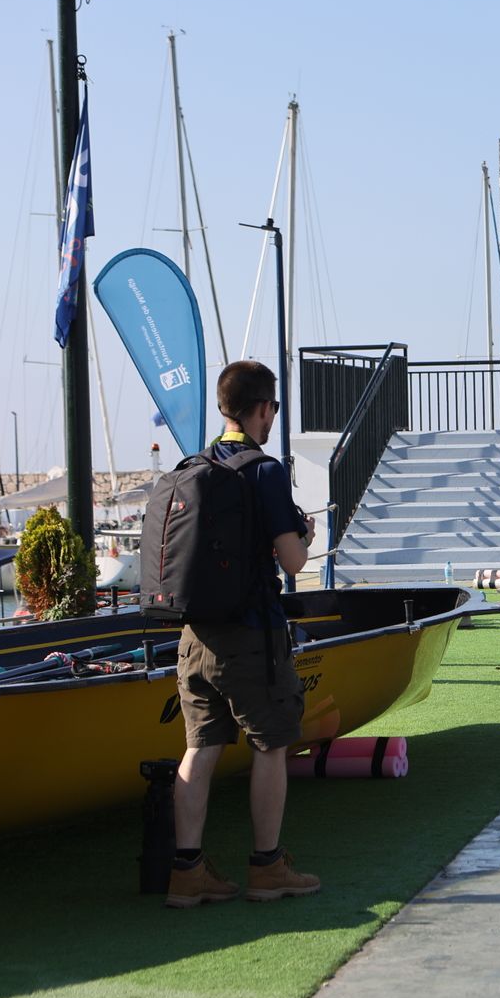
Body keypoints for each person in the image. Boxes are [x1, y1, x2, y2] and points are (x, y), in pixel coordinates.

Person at [166, 360, 319, 908]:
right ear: (261, 409)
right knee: (272, 745)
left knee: (199, 748)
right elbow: (294, 562)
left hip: (193, 635)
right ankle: (267, 866)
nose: (274, 417)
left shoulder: (195, 464)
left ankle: (186, 871)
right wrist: (304, 531)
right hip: (250, 633)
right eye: (273, 408)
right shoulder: (265, 470)